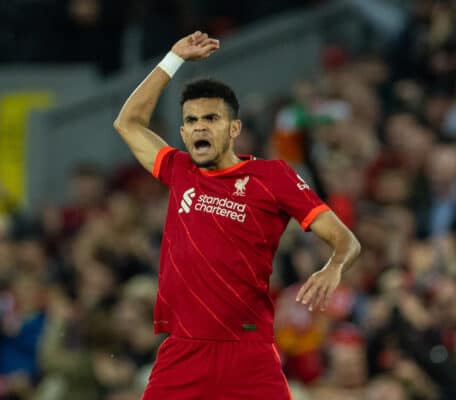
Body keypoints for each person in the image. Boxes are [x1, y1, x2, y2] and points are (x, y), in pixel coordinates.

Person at [113, 31, 361, 399]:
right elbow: (128, 123)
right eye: (191, 120)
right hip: (184, 350)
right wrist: (173, 58)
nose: (199, 126)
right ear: (182, 131)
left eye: (210, 118)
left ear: (233, 129)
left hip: (248, 352)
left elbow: (346, 240)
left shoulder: (271, 176)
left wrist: (334, 266)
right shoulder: (179, 170)